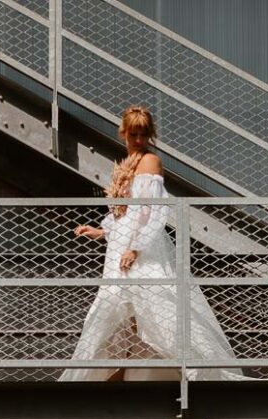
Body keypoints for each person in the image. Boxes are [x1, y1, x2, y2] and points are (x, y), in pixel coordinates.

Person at [61, 105, 248, 381]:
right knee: (120, 312)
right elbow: (125, 214)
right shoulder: (126, 164)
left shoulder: (150, 162)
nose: (139, 140)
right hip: (120, 248)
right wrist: (100, 231)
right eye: (134, 134)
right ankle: (120, 375)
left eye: (144, 135)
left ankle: (193, 373)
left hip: (140, 249)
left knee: (154, 308)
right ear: (124, 133)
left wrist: (136, 248)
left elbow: (154, 211)